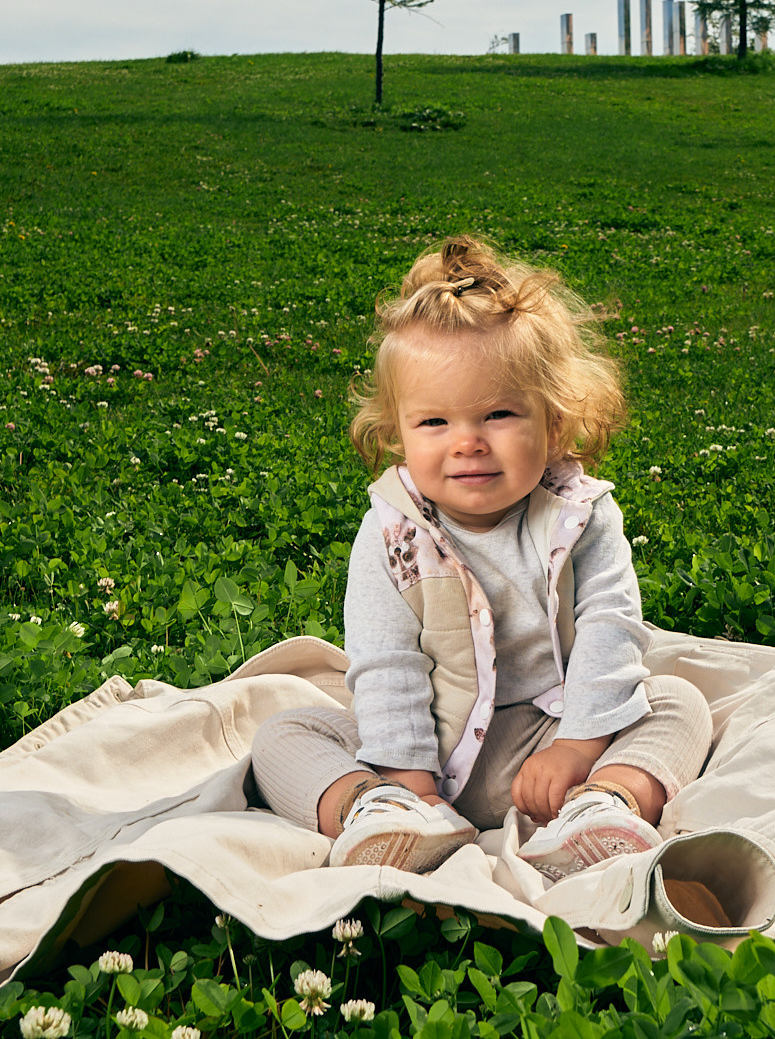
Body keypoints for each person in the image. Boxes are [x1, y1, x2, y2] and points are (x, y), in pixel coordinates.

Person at [250, 236, 710, 879]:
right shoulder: (393, 534)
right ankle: (377, 811)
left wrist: (580, 747)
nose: (466, 443)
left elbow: (611, 628)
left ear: (553, 424)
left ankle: (604, 806)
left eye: (497, 414)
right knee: (284, 734)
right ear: (397, 433)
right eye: (434, 423)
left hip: (549, 744)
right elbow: (386, 664)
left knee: (676, 701)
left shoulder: (580, 516)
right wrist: (412, 782)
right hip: (425, 747)